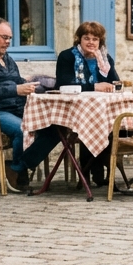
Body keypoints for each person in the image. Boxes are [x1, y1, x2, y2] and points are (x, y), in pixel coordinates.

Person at [0, 18, 61, 193]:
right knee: (22, 130)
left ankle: (16, 168)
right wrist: (15, 90)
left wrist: (30, 87)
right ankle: (18, 175)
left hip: (18, 107)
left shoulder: (7, 59)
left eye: (9, 38)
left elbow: (18, 81)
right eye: (4, 37)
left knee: (55, 128)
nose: (8, 42)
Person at [55, 20, 122, 187]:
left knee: (111, 127)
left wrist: (104, 63)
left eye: (95, 39)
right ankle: (87, 173)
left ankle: (97, 174)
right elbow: (64, 84)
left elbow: (115, 82)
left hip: (101, 110)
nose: (91, 42)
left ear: (100, 42)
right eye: (87, 38)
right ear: (79, 39)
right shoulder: (67, 56)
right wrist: (94, 86)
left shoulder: (105, 59)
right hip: (74, 110)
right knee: (90, 124)